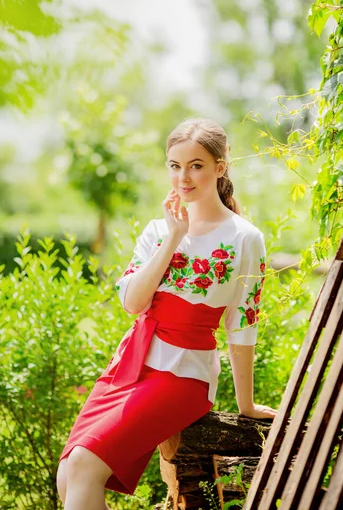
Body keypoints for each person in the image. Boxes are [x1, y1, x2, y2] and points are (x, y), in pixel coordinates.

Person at [56, 117, 278, 509]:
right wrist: (175, 236)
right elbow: (133, 303)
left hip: (184, 374)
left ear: (220, 168)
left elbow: (242, 324)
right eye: (175, 166)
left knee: (85, 465)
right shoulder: (158, 230)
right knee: (69, 471)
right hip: (133, 361)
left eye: (196, 165)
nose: (184, 178)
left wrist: (246, 405)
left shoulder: (245, 237)